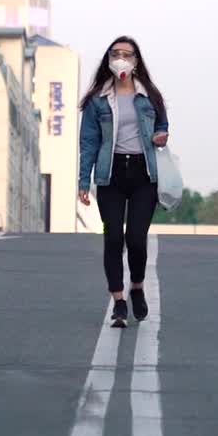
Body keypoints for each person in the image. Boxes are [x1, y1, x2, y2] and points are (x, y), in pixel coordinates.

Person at [78, 36, 169, 328]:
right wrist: (83, 180)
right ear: (108, 59)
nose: (121, 58)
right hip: (110, 175)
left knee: (137, 239)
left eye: (126, 54)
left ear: (136, 61)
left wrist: (161, 135)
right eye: (115, 53)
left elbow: (162, 124)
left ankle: (137, 287)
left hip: (144, 175)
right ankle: (118, 302)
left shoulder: (149, 95)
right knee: (113, 237)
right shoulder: (97, 100)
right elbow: (89, 142)